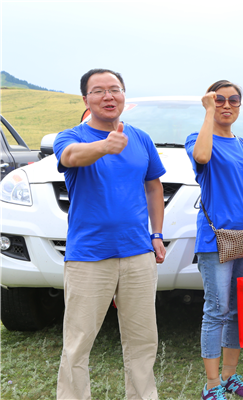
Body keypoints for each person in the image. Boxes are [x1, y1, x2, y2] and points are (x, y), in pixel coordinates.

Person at [54, 68, 166, 400]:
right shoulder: (70, 136)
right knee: (78, 341)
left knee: (143, 339)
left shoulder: (141, 138)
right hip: (89, 256)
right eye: (99, 90)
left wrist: (157, 234)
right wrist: (105, 145)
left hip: (137, 253)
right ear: (85, 99)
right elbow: (70, 157)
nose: (108, 96)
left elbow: (153, 185)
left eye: (115, 89)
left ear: (124, 95)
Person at [185, 80, 243, 400]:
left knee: (237, 310)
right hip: (216, 240)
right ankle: (211, 385)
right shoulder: (197, 138)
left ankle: (230, 376)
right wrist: (208, 112)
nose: (226, 105)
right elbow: (203, 157)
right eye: (219, 99)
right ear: (210, 102)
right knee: (217, 310)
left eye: (233, 100)